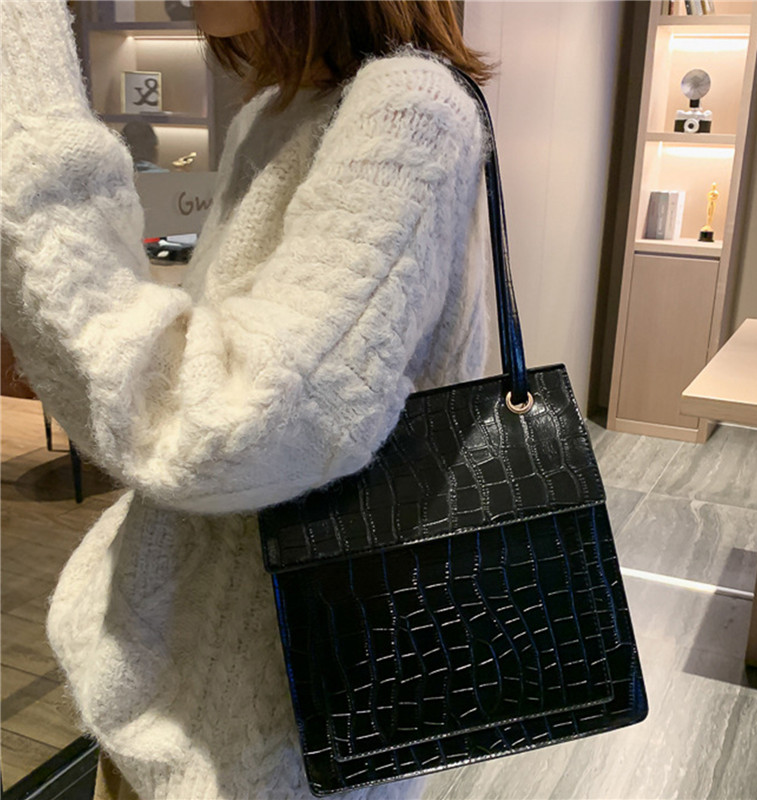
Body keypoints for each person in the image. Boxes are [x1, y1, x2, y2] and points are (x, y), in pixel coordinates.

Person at [0, 1, 498, 797]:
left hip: (267, 753)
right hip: (173, 698)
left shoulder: (410, 108)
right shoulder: (273, 113)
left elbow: (232, 426)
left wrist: (22, 104)